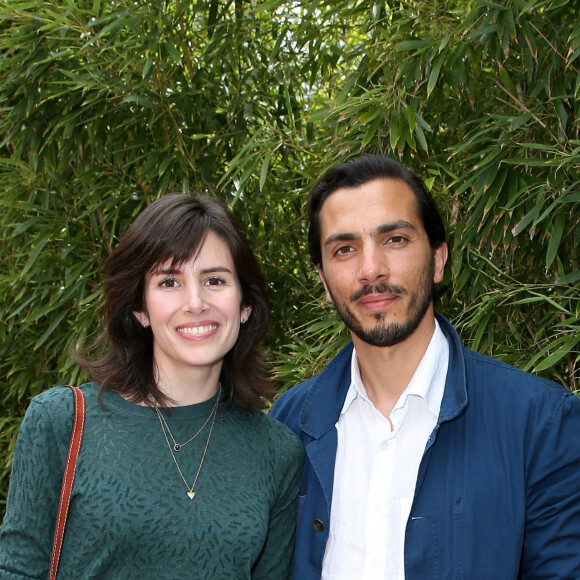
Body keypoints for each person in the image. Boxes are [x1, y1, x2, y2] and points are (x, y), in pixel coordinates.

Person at [270, 154, 580, 579]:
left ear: (437, 260)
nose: (371, 269)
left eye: (395, 239)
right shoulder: (285, 427)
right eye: (345, 249)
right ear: (323, 281)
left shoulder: (541, 424)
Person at [0, 194, 304, 578]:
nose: (195, 302)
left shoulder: (276, 452)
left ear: (244, 304)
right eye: (169, 281)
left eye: (214, 280)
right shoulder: (61, 421)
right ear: (140, 308)